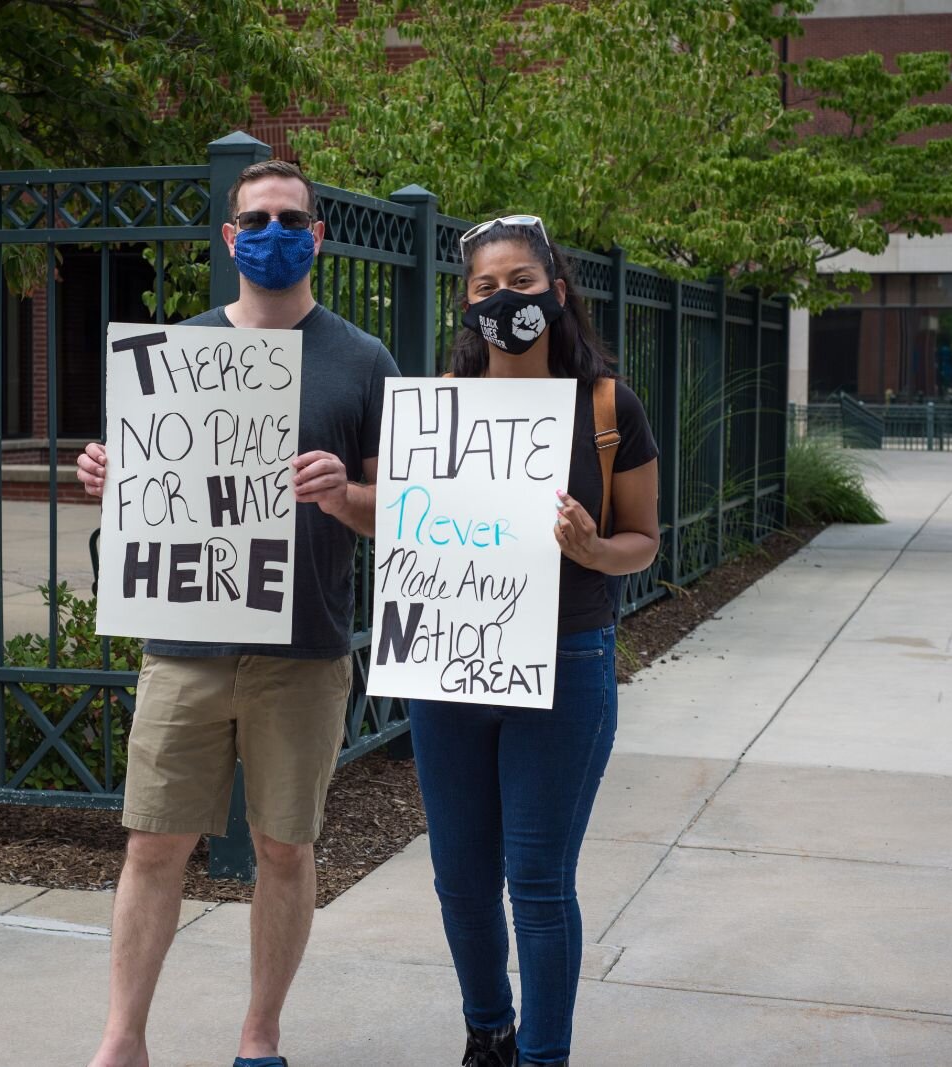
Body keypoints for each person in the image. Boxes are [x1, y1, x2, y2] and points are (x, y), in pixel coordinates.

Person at [76, 159, 399, 1067]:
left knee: (284, 848)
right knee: (152, 843)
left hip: (303, 648)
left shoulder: (363, 359)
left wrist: (345, 496)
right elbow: (145, 488)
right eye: (254, 219)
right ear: (229, 237)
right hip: (184, 643)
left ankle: (260, 1036)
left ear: (317, 237)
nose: (272, 233)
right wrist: (102, 476)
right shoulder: (175, 354)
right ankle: (122, 1039)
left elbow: (402, 507)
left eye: (289, 219)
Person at [406, 215, 660, 1067]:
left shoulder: (607, 406)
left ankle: (544, 1056)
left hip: (564, 665)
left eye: (521, 282)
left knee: (540, 887)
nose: (505, 300)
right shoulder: (438, 406)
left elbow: (644, 539)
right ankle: (490, 1032)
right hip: (450, 664)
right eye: (486, 287)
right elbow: (406, 522)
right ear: (465, 303)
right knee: (462, 884)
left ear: (556, 289)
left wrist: (594, 549)